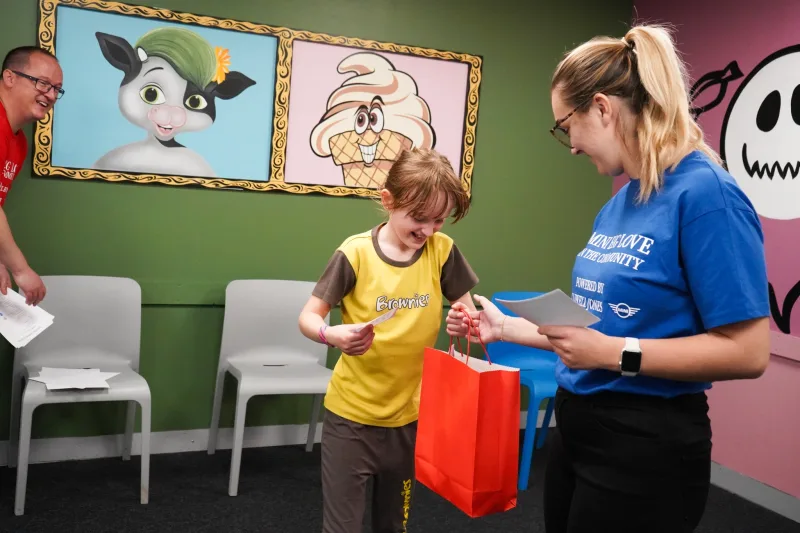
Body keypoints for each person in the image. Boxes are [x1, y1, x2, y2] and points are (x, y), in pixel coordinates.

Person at [447, 23, 770, 533]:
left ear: (601, 108)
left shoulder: (708, 196)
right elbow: (590, 337)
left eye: (565, 125)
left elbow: (749, 353)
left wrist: (617, 354)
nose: (570, 145)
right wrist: (504, 328)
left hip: (646, 442)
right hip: (578, 425)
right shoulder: (624, 199)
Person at [298, 147, 479, 533]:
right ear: (388, 200)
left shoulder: (442, 252)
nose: (428, 231)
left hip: (410, 419)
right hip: (351, 420)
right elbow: (307, 318)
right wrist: (332, 334)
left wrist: (465, 322)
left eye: (439, 221)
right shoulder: (356, 253)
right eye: (418, 218)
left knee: (393, 524)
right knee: (342, 527)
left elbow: (470, 313)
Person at [0, 46, 63, 306]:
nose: (50, 95)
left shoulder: (20, 142)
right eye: (42, 83)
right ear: (10, 77)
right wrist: (21, 270)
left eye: (57, 89)